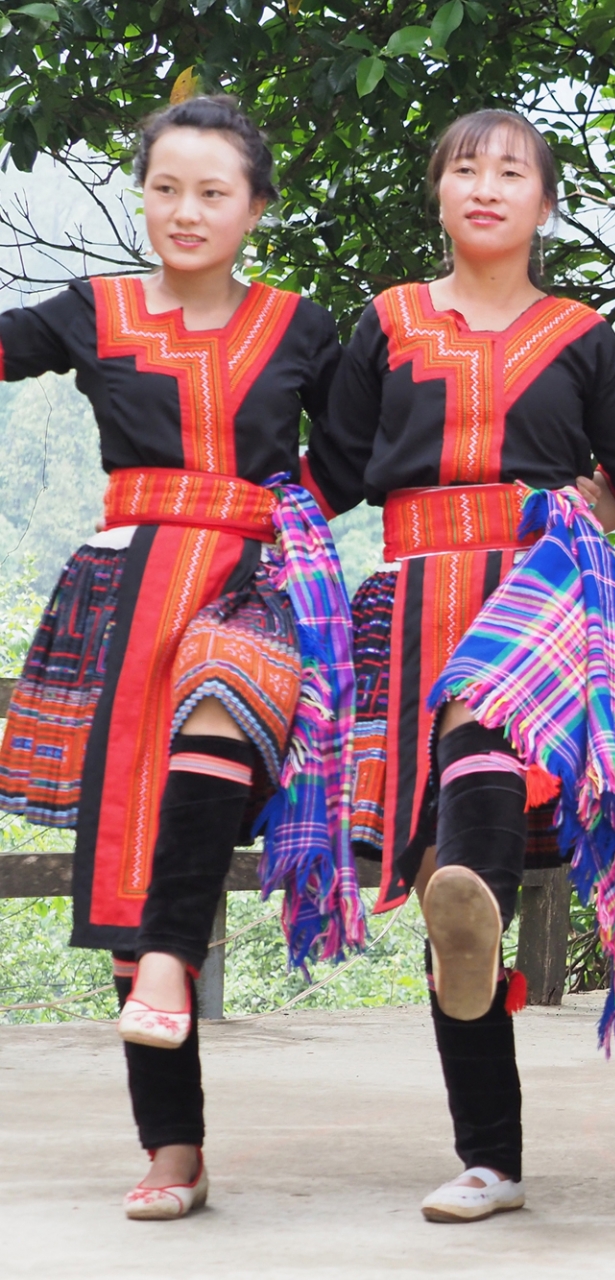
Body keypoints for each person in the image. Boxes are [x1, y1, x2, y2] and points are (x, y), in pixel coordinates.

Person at [310, 109, 615, 1224]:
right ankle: (492, 1158)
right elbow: (326, 473)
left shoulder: (581, 336)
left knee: (480, 733)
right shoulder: (384, 324)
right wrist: (206, 515)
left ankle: (473, 894)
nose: (484, 185)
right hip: (412, 593)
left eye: (509, 170)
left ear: (544, 201)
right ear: (436, 193)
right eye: (463, 168)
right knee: (445, 895)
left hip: (541, 597)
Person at [0, 94, 359, 1220]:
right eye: (165, 188)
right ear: (142, 193)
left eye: (213, 191)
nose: (186, 210)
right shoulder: (93, 311)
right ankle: (175, 1147)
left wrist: (260, 518)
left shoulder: (306, 328)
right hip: (123, 589)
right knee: (131, 835)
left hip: (257, 578)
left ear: (256, 206)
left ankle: (170, 956)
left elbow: (353, 457)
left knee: (224, 696)